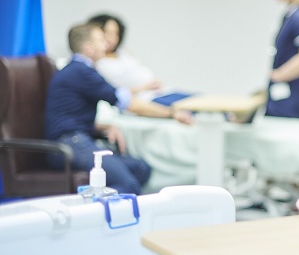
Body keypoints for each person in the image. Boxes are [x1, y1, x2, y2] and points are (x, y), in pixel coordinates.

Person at [45, 23, 193, 194]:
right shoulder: (82, 72)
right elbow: (129, 103)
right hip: (69, 146)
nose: (106, 44)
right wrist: (172, 113)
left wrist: (105, 127)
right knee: (129, 185)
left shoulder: (77, 70)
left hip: (77, 140)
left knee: (141, 169)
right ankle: (97, 212)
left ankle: (106, 206)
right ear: (88, 48)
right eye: (101, 40)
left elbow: (69, 116)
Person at [87, 13, 192, 106]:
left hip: (162, 91)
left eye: (116, 33)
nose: (112, 38)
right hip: (145, 99)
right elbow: (111, 94)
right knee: (194, 104)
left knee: (199, 99)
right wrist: (144, 88)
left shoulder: (122, 52)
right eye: (107, 33)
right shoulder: (95, 63)